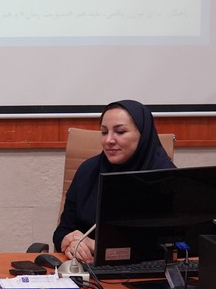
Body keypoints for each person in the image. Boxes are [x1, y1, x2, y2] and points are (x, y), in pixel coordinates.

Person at [53, 99, 175, 262]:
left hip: (146, 272)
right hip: (86, 267)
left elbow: (168, 247)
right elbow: (62, 230)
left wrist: (98, 246)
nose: (109, 140)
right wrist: (71, 242)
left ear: (143, 135)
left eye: (120, 132)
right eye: (104, 132)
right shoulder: (88, 170)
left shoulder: (165, 178)